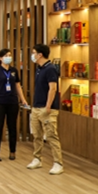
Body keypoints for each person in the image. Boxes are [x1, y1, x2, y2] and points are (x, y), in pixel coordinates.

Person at [0, 49, 29, 161]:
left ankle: (12, 151)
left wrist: (23, 99)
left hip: (12, 101)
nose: (9, 57)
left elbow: (18, 86)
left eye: (9, 55)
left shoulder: (14, 71)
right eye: (6, 55)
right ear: (0, 58)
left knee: (12, 127)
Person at [28, 44, 64, 175]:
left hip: (47, 108)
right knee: (37, 135)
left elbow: (53, 88)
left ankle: (58, 163)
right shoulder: (39, 68)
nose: (32, 55)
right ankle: (37, 158)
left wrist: (48, 106)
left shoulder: (50, 69)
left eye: (33, 53)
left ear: (40, 55)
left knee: (51, 136)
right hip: (36, 107)